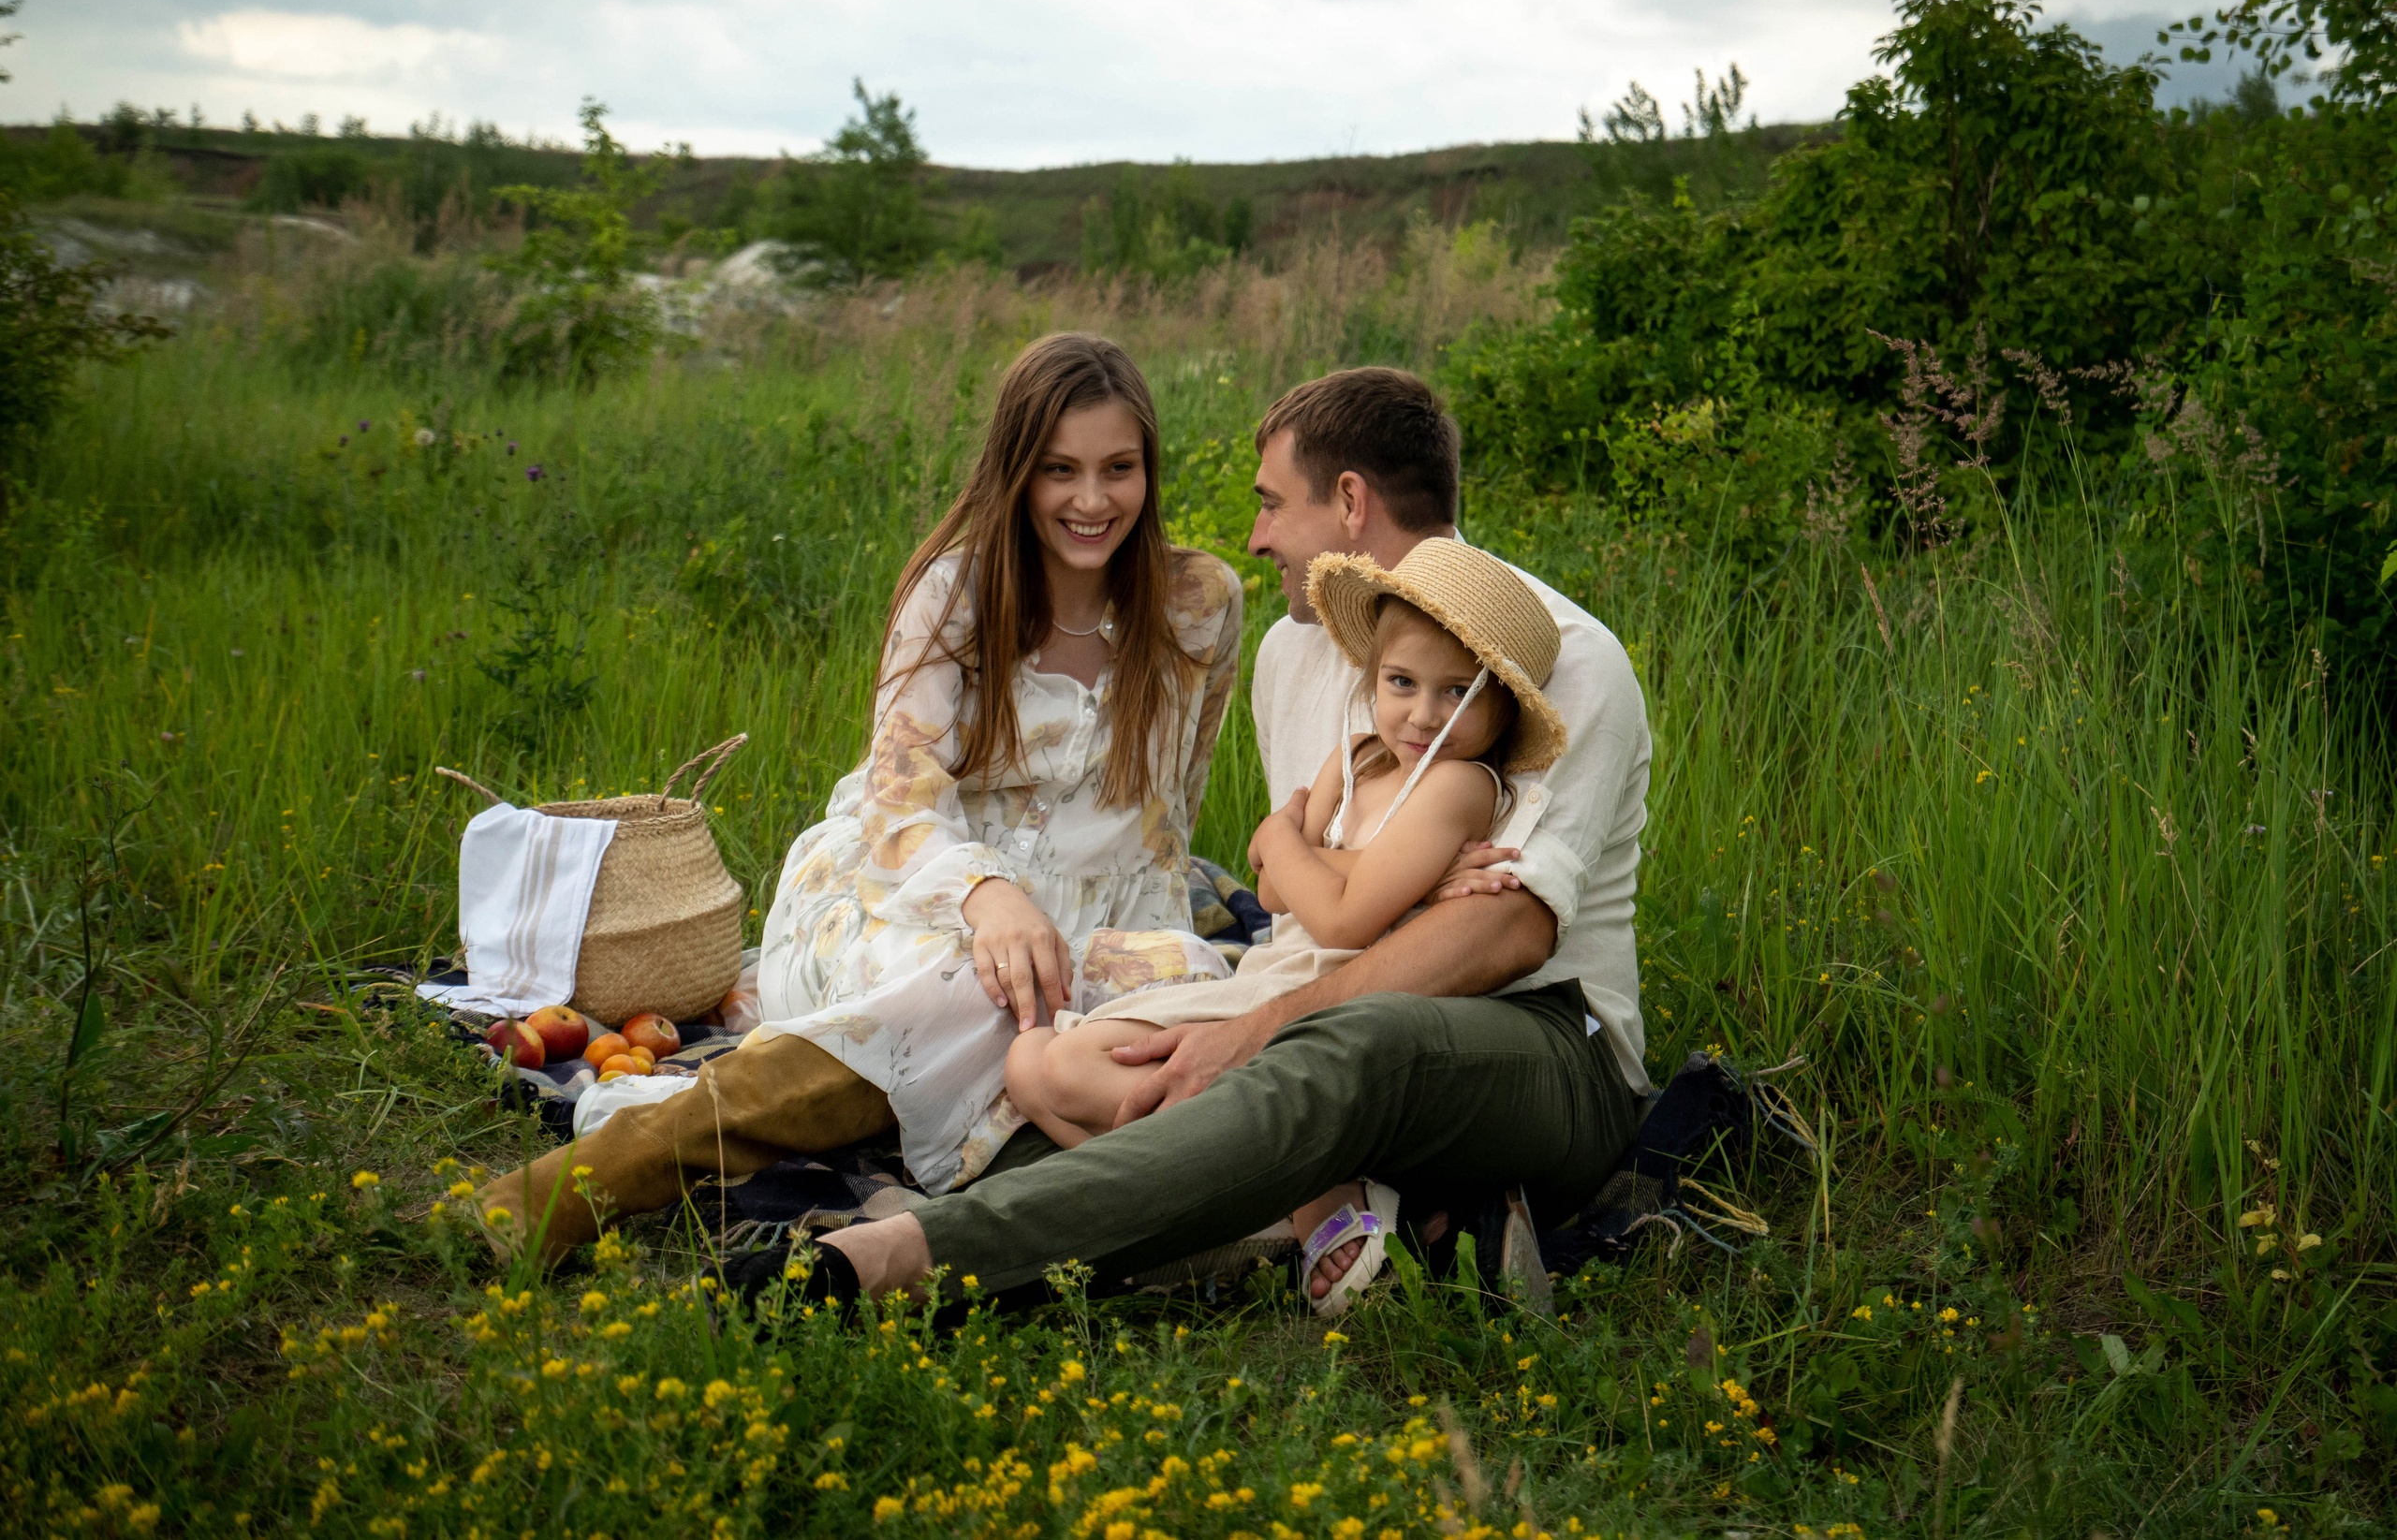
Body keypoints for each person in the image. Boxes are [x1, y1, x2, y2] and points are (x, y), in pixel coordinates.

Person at [756, 364, 1654, 1309]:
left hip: (1541, 1034)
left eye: (1271, 504)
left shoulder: (1557, 655)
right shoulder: (1293, 652)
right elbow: (1295, 889)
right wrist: (1259, 991)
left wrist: (1265, 1025)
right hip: (1326, 997)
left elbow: (1510, 931)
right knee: (1052, 1058)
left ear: (1349, 501)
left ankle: (907, 1261)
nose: (1256, 535)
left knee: (1342, 1049)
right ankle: (1382, 1209)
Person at [478, 332, 1243, 1261]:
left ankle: (1014, 1191)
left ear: (1148, 470)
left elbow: (1172, 808)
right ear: (1016, 471)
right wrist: (988, 895)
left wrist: (1145, 947)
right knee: (970, 994)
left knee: (1193, 1025)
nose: (1092, 500)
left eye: (1118, 469)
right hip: (907, 889)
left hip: (1105, 910)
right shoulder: (957, 591)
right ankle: (597, 1177)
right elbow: (899, 801)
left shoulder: (1200, 601)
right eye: (1059, 471)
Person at [1001, 540, 1570, 1312]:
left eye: (1457, 694)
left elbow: (1340, 913)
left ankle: (1312, 1199)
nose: (1423, 713)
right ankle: (1269, 1204)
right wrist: (1370, 873)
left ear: (1499, 704)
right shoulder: (1362, 758)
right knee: (1036, 1064)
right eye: (1402, 683)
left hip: (1338, 998)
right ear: (1373, 676)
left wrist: (1282, 838)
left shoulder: (1460, 785)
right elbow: (1271, 895)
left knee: (1074, 1073)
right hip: (1272, 974)